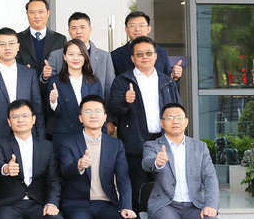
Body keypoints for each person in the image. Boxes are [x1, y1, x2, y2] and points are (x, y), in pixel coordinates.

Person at [57, 95, 139, 219]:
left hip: (106, 203)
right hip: (77, 203)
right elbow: (63, 171)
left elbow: (124, 179)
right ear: (80, 118)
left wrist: (126, 206)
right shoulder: (68, 142)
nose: (93, 115)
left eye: (97, 112)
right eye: (87, 112)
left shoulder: (115, 144)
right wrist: (78, 165)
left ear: (104, 117)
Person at [107, 35, 182, 208]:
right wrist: (125, 101)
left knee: (164, 190)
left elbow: (177, 111)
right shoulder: (122, 81)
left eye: (149, 53)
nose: (144, 57)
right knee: (137, 190)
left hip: (163, 143)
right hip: (135, 144)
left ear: (156, 56)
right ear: (132, 58)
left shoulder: (167, 81)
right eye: (139, 54)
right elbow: (112, 108)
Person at [0, 27, 44, 151]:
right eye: (2, 44)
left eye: (11, 43)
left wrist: (40, 138)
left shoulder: (29, 74)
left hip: (26, 136)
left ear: (18, 46)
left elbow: (37, 108)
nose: (7, 48)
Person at [44, 11, 115, 99]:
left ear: (90, 29)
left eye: (82, 27)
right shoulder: (56, 56)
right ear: (69, 31)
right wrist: (45, 77)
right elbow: (48, 87)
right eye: (74, 28)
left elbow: (109, 89)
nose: (78, 31)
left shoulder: (104, 57)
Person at [46, 39, 103, 143]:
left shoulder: (95, 82)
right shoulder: (55, 82)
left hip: (90, 136)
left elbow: (101, 111)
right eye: (71, 54)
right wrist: (53, 102)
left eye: (80, 54)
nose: (75, 58)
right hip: (64, 137)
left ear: (85, 57)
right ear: (64, 57)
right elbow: (51, 114)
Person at [109, 11, 183, 82]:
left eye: (141, 25)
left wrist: (174, 76)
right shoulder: (115, 55)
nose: (137, 29)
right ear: (126, 29)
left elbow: (168, 82)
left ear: (148, 29)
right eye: (132, 25)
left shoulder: (161, 52)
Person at [15, 0, 67, 72]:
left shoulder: (60, 39)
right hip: (25, 79)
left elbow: (64, 67)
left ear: (48, 13)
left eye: (41, 12)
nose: (37, 16)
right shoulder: (17, 39)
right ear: (27, 14)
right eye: (32, 12)